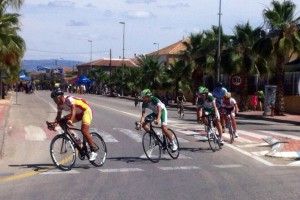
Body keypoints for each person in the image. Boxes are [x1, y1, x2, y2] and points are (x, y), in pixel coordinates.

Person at [49, 88, 98, 161]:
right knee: (61, 121)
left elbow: (73, 110)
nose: (55, 101)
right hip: (77, 114)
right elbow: (58, 117)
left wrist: (71, 120)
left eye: (55, 99)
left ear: (60, 97)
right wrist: (54, 124)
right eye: (54, 100)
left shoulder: (69, 100)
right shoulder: (59, 105)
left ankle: (94, 150)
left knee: (84, 130)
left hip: (85, 111)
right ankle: (77, 139)